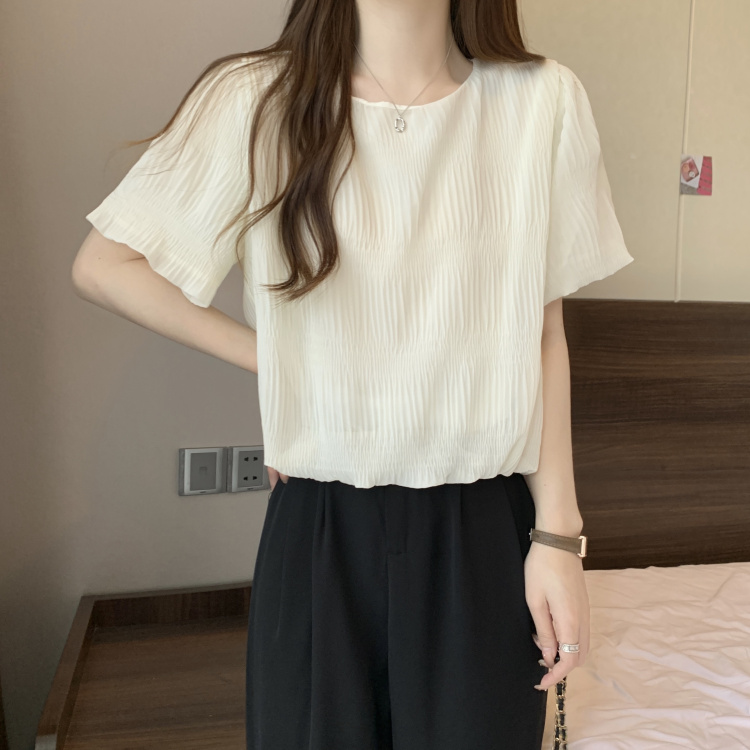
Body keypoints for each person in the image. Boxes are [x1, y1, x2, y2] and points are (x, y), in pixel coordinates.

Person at [72, 1, 634, 748]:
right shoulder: (256, 99)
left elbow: (541, 332)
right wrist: (282, 363)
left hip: (482, 528)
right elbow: (107, 266)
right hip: (320, 528)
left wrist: (559, 539)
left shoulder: (542, 102)